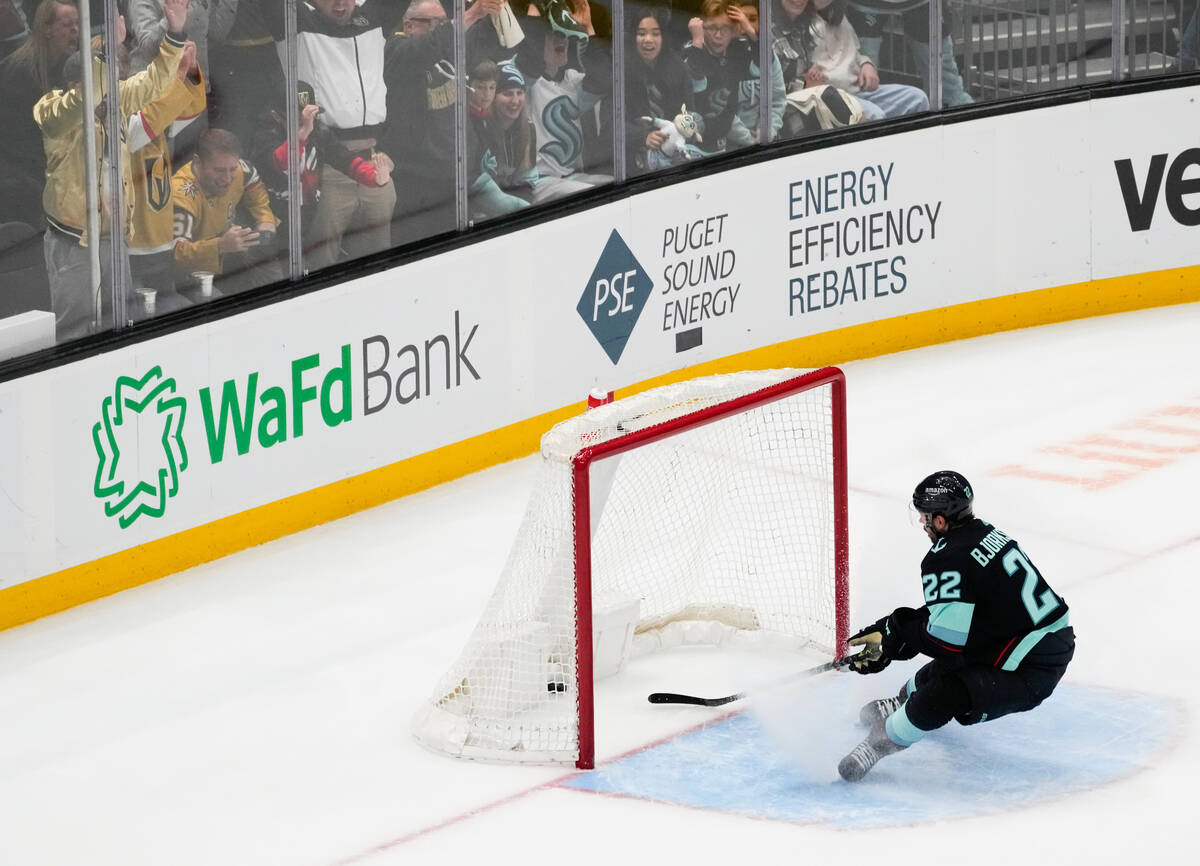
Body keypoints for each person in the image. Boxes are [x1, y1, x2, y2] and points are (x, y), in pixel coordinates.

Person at [838, 470, 1075, 782]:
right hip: (1033, 639)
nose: (922, 523)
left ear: (940, 521)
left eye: (925, 517)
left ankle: (880, 742)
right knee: (937, 672)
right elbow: (952, 611)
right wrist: (890, 629)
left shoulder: (945, 558)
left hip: (1033, 667)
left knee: (943, 693)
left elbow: (946, 642)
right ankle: (901, 702)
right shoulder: (983, 532)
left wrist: (897, 635)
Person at [34, 1, 190, 343]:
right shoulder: (53, 111)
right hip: (74, 239)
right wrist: (110, 51)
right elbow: (81, 103)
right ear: (77, 84)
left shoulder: (114, 102)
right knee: (75, 328)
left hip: (114, 235)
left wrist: (175, 34)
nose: (110, 94)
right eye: (101, 85)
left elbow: (153, 82)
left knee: (120, 319)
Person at [126, 39, 207, 317]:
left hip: (161, 244)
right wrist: (179, 76)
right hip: (130, 250)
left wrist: (191, 69)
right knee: (139, 318)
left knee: (173, 313)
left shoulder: (158, 121)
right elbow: (149, 121)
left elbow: (191, 108)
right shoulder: (124, 125)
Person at [171, 127, 281, 295]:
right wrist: (221, 245)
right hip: (193, 270)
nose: (228, 178)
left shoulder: (241, 169)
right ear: (198, 162)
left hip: (228, 244)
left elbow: (254, 184)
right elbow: (177, 254)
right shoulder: (182, 194)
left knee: (274, 273)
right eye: (219, 171)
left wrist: (265, 219)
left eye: (232, 169)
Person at [804, 0, 928, 121]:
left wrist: (866, 64)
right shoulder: (801, 24)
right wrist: (807, 83)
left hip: (858, 89)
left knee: (917, 98)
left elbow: (855, 51)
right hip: (832, 97)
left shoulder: (837, 16)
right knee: (875, 116)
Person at [625, 6, 695, 175]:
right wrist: (642, 137)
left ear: (664, 37)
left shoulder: (678, 68)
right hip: (634, 164)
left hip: (675, 156)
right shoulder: (621, 71)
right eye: (641, 33)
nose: (648, 40)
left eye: (655, 34)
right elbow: (612, 124)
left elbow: (691, 113)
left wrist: (684, 130)